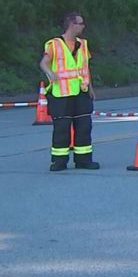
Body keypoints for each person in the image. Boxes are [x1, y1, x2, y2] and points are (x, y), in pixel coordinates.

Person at [39, 11, 100, 171]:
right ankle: (59, 162)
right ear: (72, 25)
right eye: (80, 23)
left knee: (84, 127)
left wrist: (91, 88)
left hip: (81, 92)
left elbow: (85, 68)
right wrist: (50, 73)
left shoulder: (83, 44)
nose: (83, 26)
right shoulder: (55, 44)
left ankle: (84, 160)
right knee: (62, 128)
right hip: (61, 94)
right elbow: (44, 62)